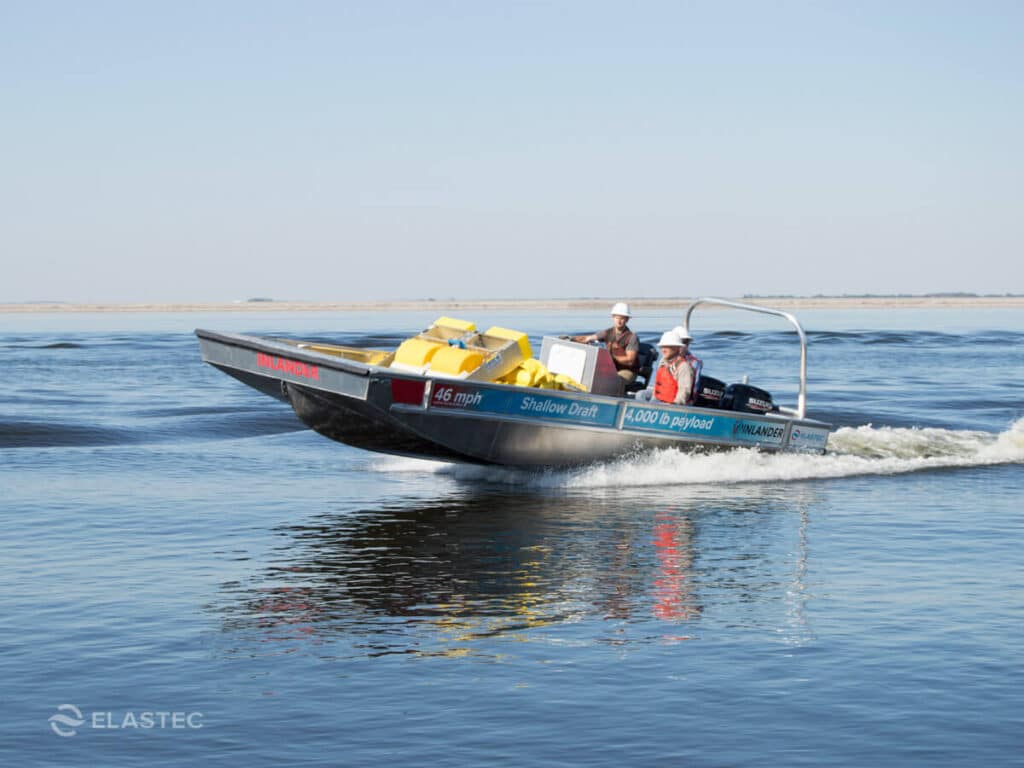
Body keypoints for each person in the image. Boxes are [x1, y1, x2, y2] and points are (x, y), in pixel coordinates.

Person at [571, 302, 640, 388]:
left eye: (622, 318)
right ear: (613, 317)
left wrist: (612, 358)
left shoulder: (632, 337)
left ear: (627, 319)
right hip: (611, 369)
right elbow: (588, 338)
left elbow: (630, 360)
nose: (619, 320)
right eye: (617, 317)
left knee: (612, 381)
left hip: (627, 371)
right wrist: (572, 339)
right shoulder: (607, 333)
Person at [635, 330, 694, 405]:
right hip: (658, 398)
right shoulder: (663, 362)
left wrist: (675, 404)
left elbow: (684, 391)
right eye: (662, 346)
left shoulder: (684, 367)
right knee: (641, 394)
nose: (663, 350)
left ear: (676, 348)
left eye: (667, 347)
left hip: (670, 403)